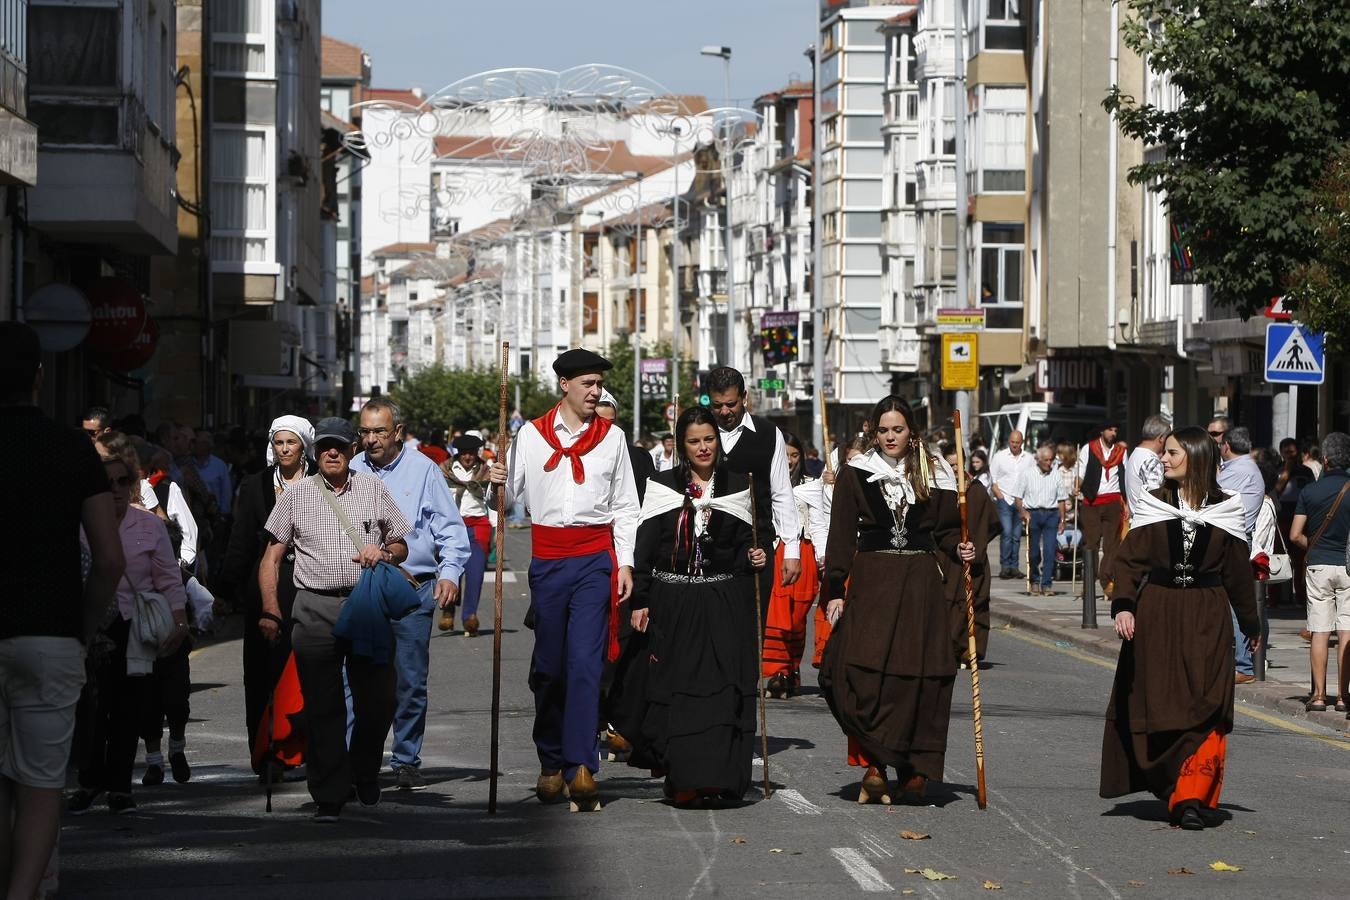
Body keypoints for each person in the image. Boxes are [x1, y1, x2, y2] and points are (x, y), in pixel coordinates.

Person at [488, 348, 640, 811]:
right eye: (588, 384)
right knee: (550, 668)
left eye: (598, 385)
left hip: (596, 558)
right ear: (565, 386)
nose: (596, 392)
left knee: (586, 665)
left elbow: (625, 507)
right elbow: (505, 500)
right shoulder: (530, 437)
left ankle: (581, 765)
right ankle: (550, 759)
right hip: (549, 561)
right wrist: (494, 478)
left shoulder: (612, 438)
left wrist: (626, 562)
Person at [1, 324, 122, 897]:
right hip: (49, 634)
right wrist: (83, 627)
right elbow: (108, 559)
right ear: (39, 379)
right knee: (42, 784)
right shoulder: (71, 448)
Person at [1100, 426, 1259, 830]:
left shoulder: (1227, 508)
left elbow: (1237, 574)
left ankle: (1191, 795)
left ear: (1196, 456)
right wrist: (1123, 606)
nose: (1163, 459)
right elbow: (1130, 561)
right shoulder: (1153, 504)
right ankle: (1174, 786)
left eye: (1172, 453)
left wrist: (1250, 622)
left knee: (1207, 704)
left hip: (1207, 616)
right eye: (1164, 452)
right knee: (1160, 702)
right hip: (1159, 615)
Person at [819, 397, 975, 805]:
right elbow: (840, 536)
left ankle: (915, 766)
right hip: (874, 580)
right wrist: (834, 588)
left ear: (912, 431)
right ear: (873, 432)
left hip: (920, 584)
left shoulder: (935, 471)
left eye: (898, 430)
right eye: (883, 430)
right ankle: (875, 761)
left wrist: (961, 549)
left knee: (919, 671)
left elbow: (945, 533)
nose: (890, 437)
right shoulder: (857, 472)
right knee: (864, 669)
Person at [259, 417, 411, 822]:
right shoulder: (296, 495)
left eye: (339, 446)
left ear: (352, 450)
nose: (331, 452)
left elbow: (399, 543)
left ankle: (363, 771)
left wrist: (387, 554)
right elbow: (271, 559)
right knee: (323, 707)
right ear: (315, 451)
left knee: (378, 701)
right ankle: (329, 792)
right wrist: (271, 609)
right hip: (314, 608)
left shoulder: (373, 488)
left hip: (366, 605)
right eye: (325, 446)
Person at [619, 406, 767, 805]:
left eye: (709, 439)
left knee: (721, 693)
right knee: (680, 692)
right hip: (674, 604)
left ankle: (719, 780)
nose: (704, 447)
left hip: (722, 602)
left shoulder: (740, 484)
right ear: (682, 446)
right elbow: (646, 546)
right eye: (694, 441)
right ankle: (684, 780)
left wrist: (755, 556)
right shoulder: (663, 485)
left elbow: (750, 543)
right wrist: (641, 600)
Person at [69, 432, 190, 816]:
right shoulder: (76, 524)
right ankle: (89, 782)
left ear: (134, 485)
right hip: (89, 625)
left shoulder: (149, 526)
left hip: (133, 627)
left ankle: (120, 787)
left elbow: (169, 578)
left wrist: (179, 619)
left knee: (127, 708)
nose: (117, 490)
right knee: (88, 708)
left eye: (125, 481)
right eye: (108, 483)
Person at [352, 398, 469, 792]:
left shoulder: (424, 471)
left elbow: (451, 529)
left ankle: (405, 759)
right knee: (355, 680)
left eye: (379, 432)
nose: (371, 440)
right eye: (365, 432)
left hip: (412, 590)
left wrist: (450, 574)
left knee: (409, 681)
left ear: (397, 432)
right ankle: (354, 759)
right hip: (362, 591)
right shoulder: (350, 470)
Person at [219, 415, 315, 778]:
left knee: (303, 670)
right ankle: (264, 754)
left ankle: (299, 748)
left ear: (304, 446)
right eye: (279, 443)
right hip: (265, 587)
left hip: (308, 584)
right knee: (261, 674)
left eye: (291, 443)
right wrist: (227, 589)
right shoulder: (255, 484)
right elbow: (241, 539)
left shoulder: (318, 484)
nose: (285, 449)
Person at [705, 367, 801, 617]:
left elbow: (781, 491)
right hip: (707, 548)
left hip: (755, 548)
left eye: (731, 404)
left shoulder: (769, 434)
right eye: (717, 405)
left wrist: (791, 549)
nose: (724, 412)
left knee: (750, 629)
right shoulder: (700, 433)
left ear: (744, 397)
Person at [593, 390, 656, 760]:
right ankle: (590, 721)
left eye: (609, 421)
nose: (603, 428)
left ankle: (619, 723)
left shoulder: (636, 457)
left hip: (628, 561)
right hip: (586, 560)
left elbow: (646, 513)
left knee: (626, 647)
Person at [761, 432, 828, 698]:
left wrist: (824, 559)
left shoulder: (812, 485)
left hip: (805, 554)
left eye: (794, 455)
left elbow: (819, 524)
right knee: (775, 616)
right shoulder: (765, 483)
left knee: (797, 619)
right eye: (785, 454)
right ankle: (777, 672)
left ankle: (791, 669)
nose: (789, 460)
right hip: (775, 553)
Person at [1289, 432, 1350, 714]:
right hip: (1348, 566)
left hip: (1318, 565)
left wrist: (1312, 546)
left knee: (1320, 630)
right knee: (1346, 630)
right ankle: (1343, 698)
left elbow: (1295, 534)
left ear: (1324, 459)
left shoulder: (1310, 491)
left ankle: (1318, 697)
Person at [939, 440, 999, 665]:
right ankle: (949, 650)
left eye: (958, 464)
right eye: (950, 465)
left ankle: (970, 651)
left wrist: (977, 544)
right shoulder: (941, 491)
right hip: (948, 558)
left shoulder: (976, 491)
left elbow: (992, 523)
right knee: (951, 604)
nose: (954, 469)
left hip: (974, 557)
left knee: (975, 602)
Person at [1215, 426, 1263, 682]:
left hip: (1233, 540)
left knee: (1235, 601)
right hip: (1231, 539)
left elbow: (1211, 496)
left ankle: (1243, 665)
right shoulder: (1239, 469)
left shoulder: (1241, 471)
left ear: (1227, 446)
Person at [440, 433, 493, 636]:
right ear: (458, 453)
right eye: (464, 453)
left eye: (471, 453)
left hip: (478, 525)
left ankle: (470, 616)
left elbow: (494, 502)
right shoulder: (444, 470)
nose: (468, 457)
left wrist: (497, 528)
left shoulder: (486, 472)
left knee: (476, 572)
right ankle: (448, 611)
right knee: (452, 570)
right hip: (452, 527)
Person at [1076, 423, 1129, 590]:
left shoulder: (1121, 452)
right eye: (1110, 430)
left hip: (1113, 502)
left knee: (1112, 545)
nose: (1113, 433)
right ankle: (1089, 583)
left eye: (1115, 430)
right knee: (1091, 543)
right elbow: (1081, 472)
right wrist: (1076, 485)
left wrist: (1127, 503)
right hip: (1092, 501)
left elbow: (1126, 478)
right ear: (1102, 431)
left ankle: (1106, 580)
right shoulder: (1089, 448)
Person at [1015, 445, 1069, 596]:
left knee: (1050, 550)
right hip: (1034, 514)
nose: (1049, 463)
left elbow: (1061, 499)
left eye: (1051, 460)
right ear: (1037, 460)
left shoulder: (1056, 474)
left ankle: (1046, 584)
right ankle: (1034, 580)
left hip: (1051, 514)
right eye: (1046, 460)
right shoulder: (1027, 474)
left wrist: (1062, 519)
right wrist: (1023, 512)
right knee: (1033, 552)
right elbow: (1018, 498)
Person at [990, 430, 1034, 579]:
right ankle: (1005, 566)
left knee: (1016, 536)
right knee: (1007, 533)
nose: (1014, 445)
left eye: (1017, 443)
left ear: (1022, 443)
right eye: (1012, 442)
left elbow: (1032, 479)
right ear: (1009, 441)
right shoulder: (999, 457)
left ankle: (1014, 567)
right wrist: (1000, 497)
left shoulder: (1029, 458)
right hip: (1005, 500)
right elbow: (993, 481)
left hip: (1020, 501)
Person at [1124, 415, 1168, 516]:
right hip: (1148, 524)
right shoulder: (1151, 461)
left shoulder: (1135, 454)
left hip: (1137, 521)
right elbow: (1155, 499)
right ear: (1161, 438)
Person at [192, 428, 234, 517]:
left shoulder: (219, 465)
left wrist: (224, 513)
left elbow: (226, 491)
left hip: (215, 514)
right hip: (194, 513)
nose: (194, 445)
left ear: (207, 445)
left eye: (197, 443)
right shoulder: (189, 464)